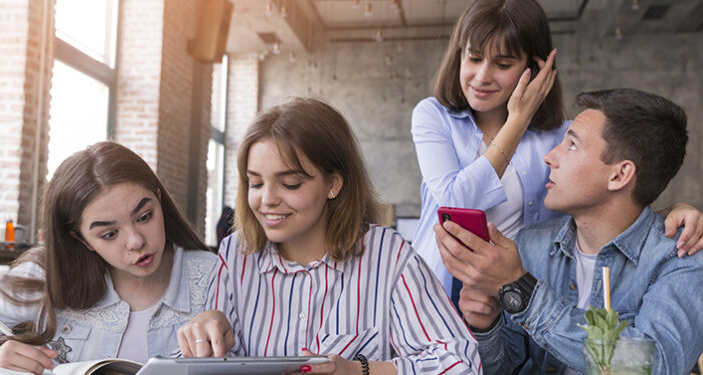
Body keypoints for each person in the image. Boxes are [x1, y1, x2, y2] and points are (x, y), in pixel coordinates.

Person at [410, 0, 703, 307]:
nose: (482, 76)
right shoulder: (434, 116)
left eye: (503, 64)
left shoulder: (561, 138)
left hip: (515, 293)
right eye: (473, 58)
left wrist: (671, 212)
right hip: (437, 289)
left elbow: (604, 209)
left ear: (534, 68)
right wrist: (518, 121)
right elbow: (454, 203)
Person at [176, 98, 481, 374]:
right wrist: (204, 333)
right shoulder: (234, 255)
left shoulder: (389, 256)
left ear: (333, 184)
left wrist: (359, 370)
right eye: (255, 184)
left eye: (290, 184)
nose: (267, 199)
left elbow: (461, 364)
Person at [435, 88, 703, 374]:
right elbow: (503, 367)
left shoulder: (681, 257)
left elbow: (656, 365)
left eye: (572, 145)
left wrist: (522, 293)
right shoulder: (530, 245)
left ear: (619, 175)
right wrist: (485, 328)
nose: (550, 157)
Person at [0, 142, 218, 374]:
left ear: (158, 200)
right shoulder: (45, 278)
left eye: (145, 216)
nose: (136, 241)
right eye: (110, 233)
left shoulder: (215, 278)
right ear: (80, 239)